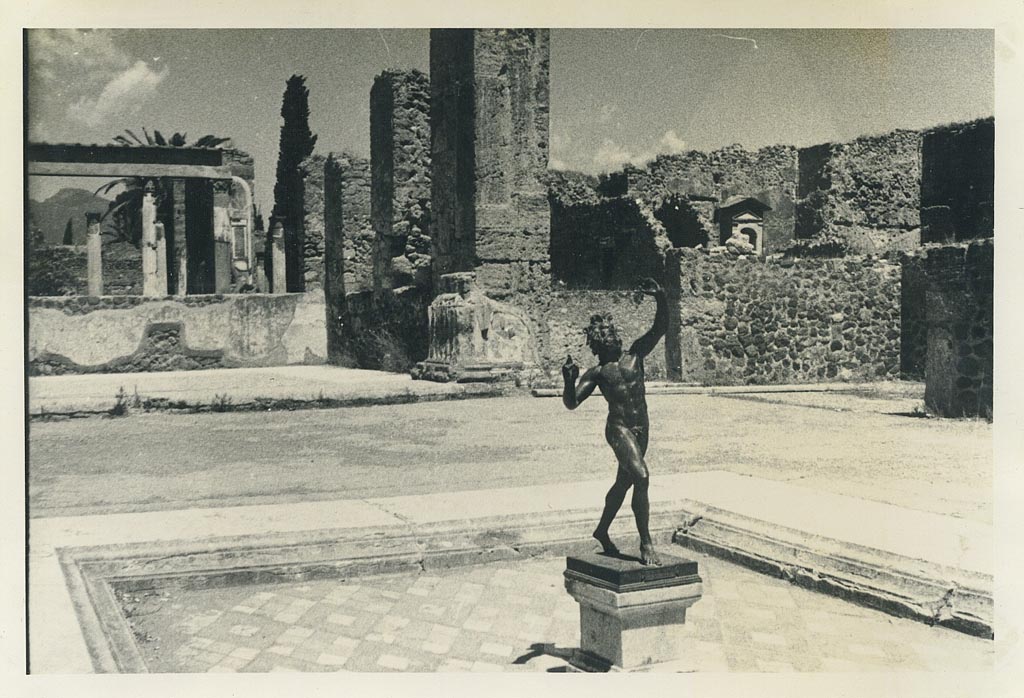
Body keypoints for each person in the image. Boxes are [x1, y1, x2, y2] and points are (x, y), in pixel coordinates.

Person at [562, 277, 667, 565]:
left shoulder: (635, 355)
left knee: (624, 483)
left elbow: (660, 328)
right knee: (641, 476)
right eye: (601, 336)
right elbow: (571, 402)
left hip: (641, 428)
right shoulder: (597, 373)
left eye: (609, 332)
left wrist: (661, 298)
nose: (607, 337)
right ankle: (646, 543)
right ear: (595, 344)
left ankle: (602, 530)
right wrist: (569, 381)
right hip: (618, 429)